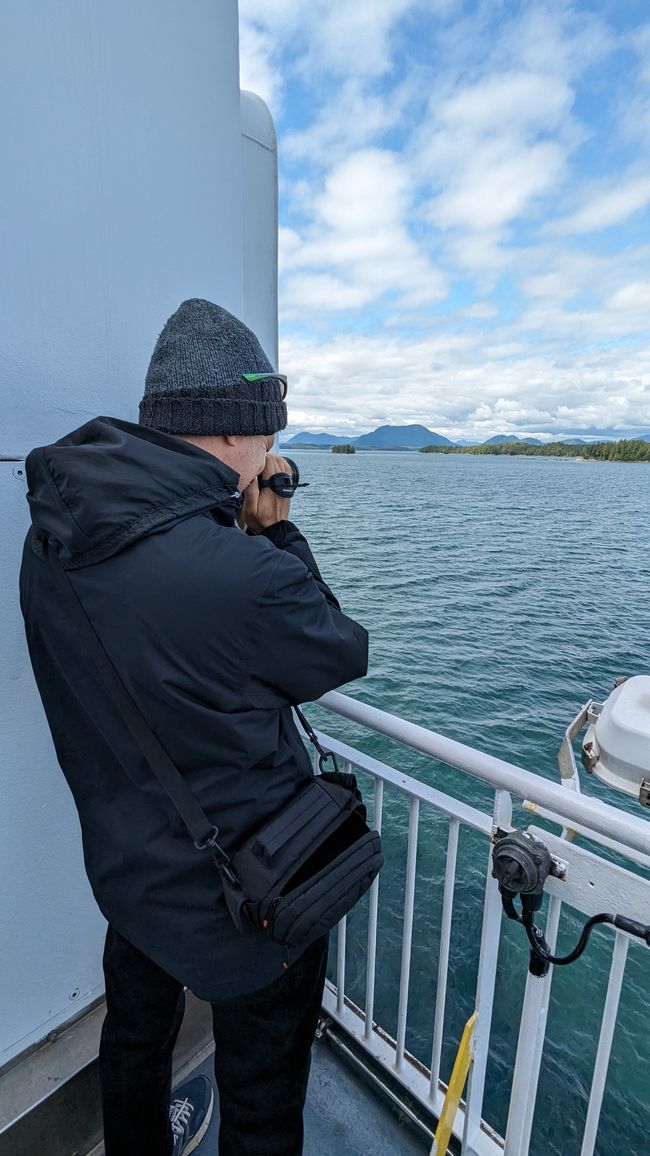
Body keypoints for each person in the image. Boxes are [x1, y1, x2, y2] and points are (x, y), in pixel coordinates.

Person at [19, 299, 369, 1156]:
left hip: (133, 867)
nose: (270, 454)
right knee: (261, 1098)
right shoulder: (244, 572)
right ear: (228, 434)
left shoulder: (53, 532)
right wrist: (276, 533)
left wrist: (222, 517)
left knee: (135, 1042)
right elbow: (337, 652)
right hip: (247, 903)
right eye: (265, 435)